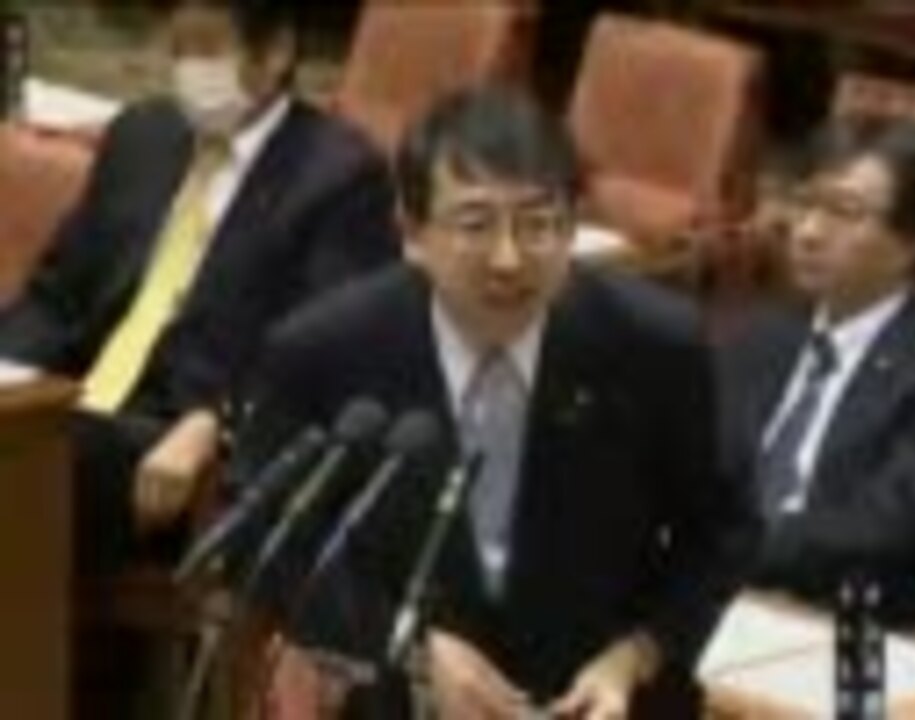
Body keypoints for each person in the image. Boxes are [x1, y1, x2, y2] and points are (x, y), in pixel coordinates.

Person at [233, 86, 753, 718]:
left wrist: (635, 654)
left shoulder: (654, 346)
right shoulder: (323, 351)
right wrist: (407, 645)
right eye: (475, 225)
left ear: (573, 225)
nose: (509, 260)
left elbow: (721, 533)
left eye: (538, 224)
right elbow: (272, 537)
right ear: (412, 232)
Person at [0, 0, 399, 571]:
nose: (189, 71)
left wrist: (218, 423)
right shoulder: (143, 135)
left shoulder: (338, 177)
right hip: (70, 403)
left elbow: (327, 358)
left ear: (276, 51)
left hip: (173, 441)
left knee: (40, 462)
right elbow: (57, 295)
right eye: (178, 50)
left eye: (208, 50)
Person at [719, 115, 915, 624]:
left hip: (850, 618)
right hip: (722, 593)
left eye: (844, 212)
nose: (808, 232)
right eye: (804, 202)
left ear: (912, 242)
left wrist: (724, 546)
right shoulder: (761, 335)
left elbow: (883, 527)